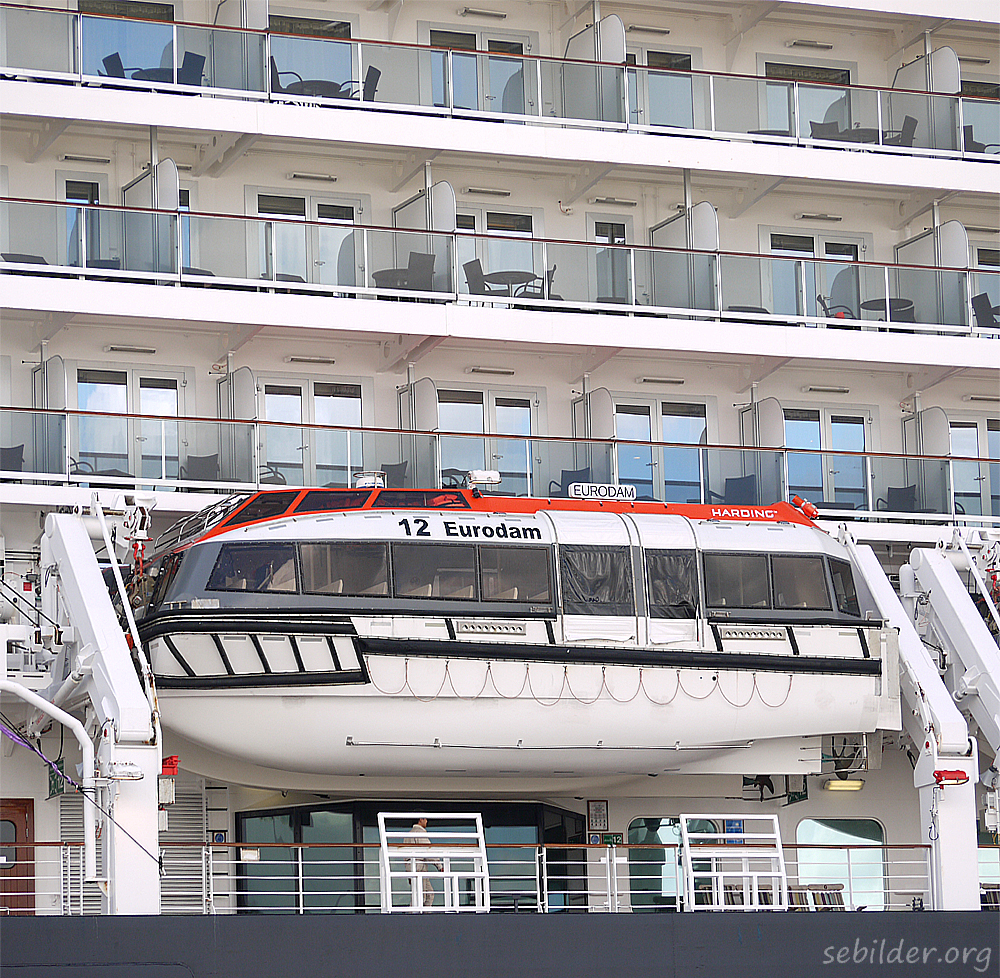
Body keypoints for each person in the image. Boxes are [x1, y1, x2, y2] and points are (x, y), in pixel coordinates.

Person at [404, 816, 442, 908]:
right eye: (425, 819)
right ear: (421, 819)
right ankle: (413, 913)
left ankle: (425, 913)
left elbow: (405, 856)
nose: (427, 821)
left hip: (412, 867)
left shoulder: (408, 835)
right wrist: (439, 866)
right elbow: (428, 850)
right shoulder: (419, 832)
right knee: (421, 896)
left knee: (429, 894)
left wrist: (408, 873)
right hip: (419, 867)